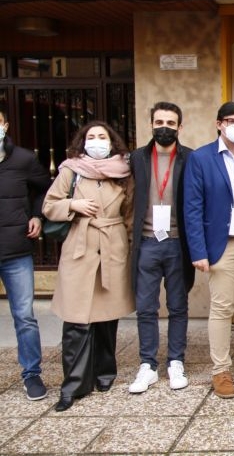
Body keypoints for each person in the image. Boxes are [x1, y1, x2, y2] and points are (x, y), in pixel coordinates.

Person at [42, 121, 134, 412]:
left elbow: (130, 212)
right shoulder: (71, 169)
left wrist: (129, 245)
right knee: (76, 320)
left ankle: (105, 372)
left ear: (112, 142)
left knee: (108, 318)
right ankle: (74, 384)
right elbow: (49, 205)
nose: (97, 141)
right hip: (80, 248)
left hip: (112, 245)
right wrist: (73, 206)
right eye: (91, 137)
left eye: (102, 137)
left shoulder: (124, 172)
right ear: (83, 142)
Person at [183, 102, 234, 399]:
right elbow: (192, 208)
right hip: (222, 245)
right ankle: (221, 370)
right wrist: (198, 250)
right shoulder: (201, 158)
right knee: (222, 308)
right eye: (231, 120)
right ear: (219, 123)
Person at [128, 102, 194, 394]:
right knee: (146, 307)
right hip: (146, 241)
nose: (164, 127)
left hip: (178, 243)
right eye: (158, 122)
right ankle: (148, 364)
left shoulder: (190, 158)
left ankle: (176, 360)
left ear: (180, 127)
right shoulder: (136, 158)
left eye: (170, 122)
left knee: (178, 306)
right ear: (151, 124)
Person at [0, 106, 51, 401]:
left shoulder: (24, 158)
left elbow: (46, 188)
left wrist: (36, 215)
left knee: (24, 316)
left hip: (17, 250)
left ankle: (32, 374)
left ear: (6, 124)